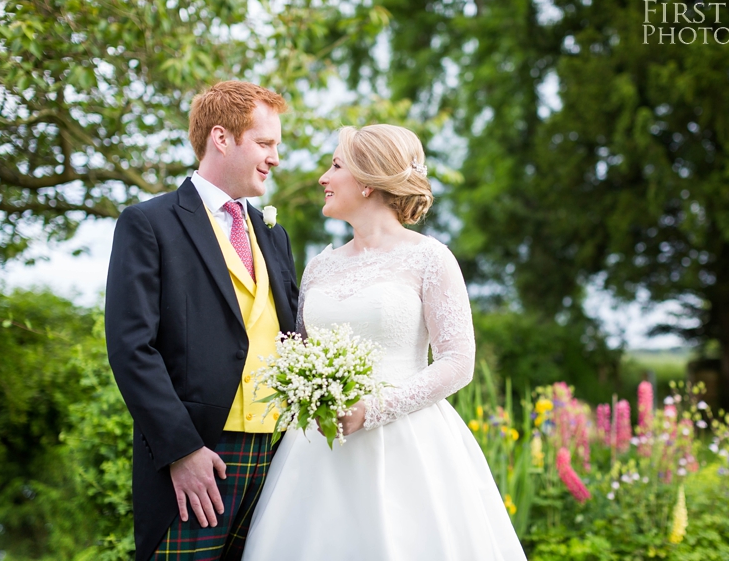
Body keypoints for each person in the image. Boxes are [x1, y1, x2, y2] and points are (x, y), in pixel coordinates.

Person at [241, 124, 526, 560]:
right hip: (318, 448)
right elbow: (295, 351)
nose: (323, 178)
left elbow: (458, 361)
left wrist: (371, 410)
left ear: (369, 182)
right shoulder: (319, 267)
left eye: (335, 165)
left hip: (409, 445)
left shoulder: (430, 258)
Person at [105, 81, 299, 561]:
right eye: (265, 143)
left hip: (278, 457)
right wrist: (182, 451)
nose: (276, 157)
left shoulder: (274, 236)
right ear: (221, 138)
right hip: (200, 457)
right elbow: (132, 347)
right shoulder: (149, 223)